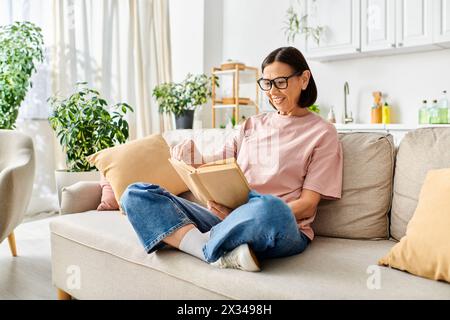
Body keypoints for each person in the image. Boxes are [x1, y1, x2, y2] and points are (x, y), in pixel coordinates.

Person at [121, 46, 343, 272]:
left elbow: (307, 206)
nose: (272, 91)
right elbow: (215, 167)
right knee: (135, 194)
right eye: (267, 83)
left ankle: (201, 245)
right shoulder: (251, 125)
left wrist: (243, 214)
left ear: (304, 79)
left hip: (277, 225)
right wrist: (190, 158)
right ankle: (213, 251)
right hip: (226, 219)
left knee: (270, 207)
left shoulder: (323, 133)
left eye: (280, 82)